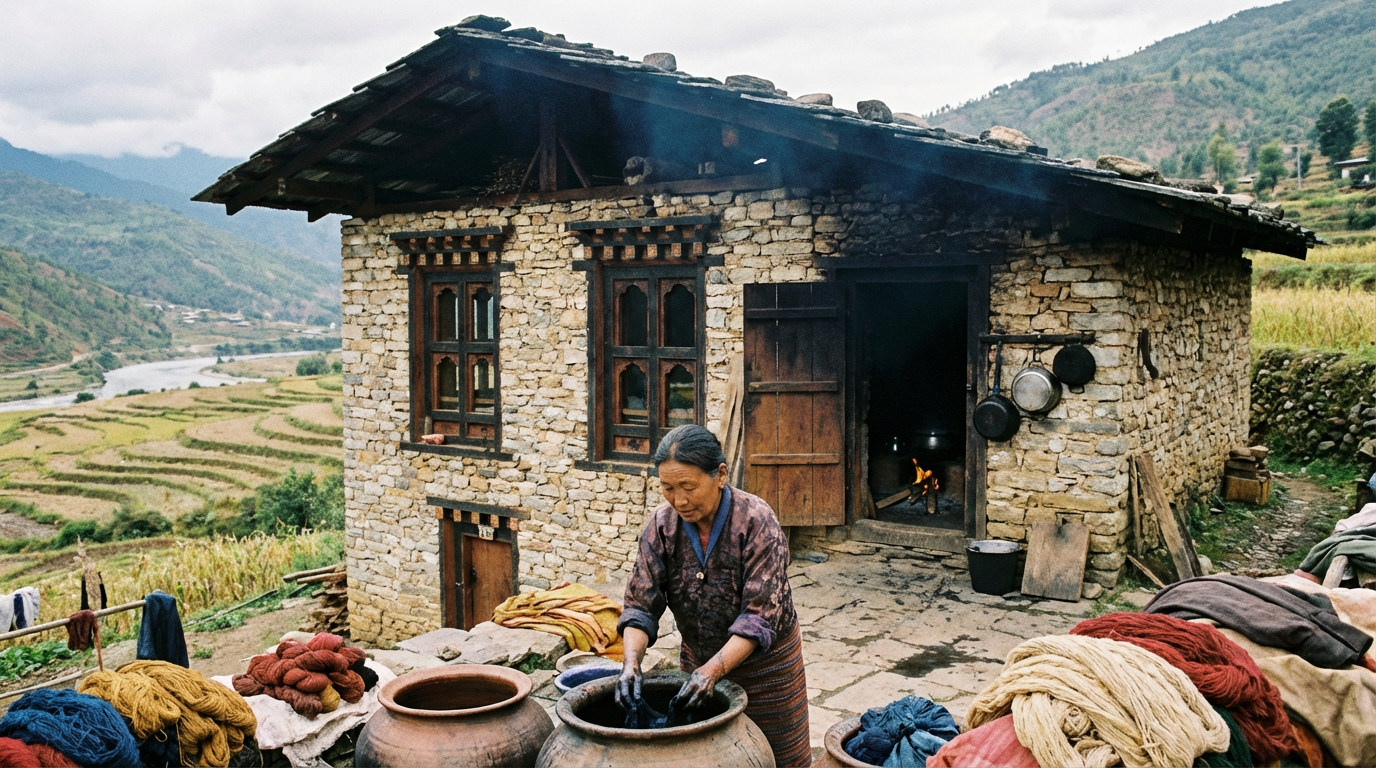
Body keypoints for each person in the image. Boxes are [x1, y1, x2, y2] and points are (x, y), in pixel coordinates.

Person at [616, 424, 810, 767]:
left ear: (720, 475)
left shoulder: (756, 521)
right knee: (705, 758)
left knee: (779, 760)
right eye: (667, 488)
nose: (679, 500)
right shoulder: (662, 526)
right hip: (697, 665)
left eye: (688, 487)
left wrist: (713, 671)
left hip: (766, 671)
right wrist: (631, 663)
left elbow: (758, 617)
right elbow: (639, 605)